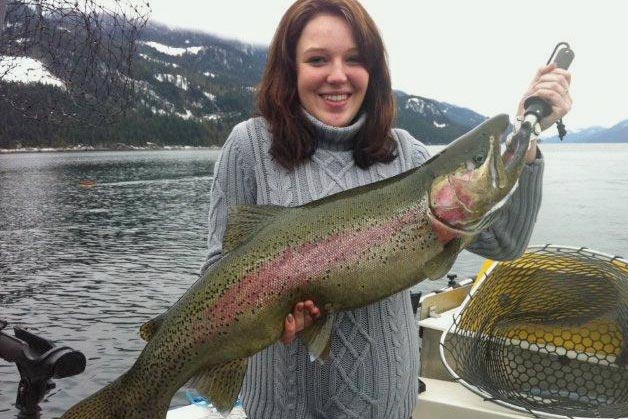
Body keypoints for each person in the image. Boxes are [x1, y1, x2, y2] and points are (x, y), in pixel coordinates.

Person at [200, 0, 572, 417]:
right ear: (290, 69)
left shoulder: (408, 155)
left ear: (373, 71)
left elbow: (506, 242)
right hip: (283, 407)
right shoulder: (249, 147)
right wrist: (269, 314)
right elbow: (218, 270)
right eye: (318, 59)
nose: (337, 75)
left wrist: (527, 139)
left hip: (384, 403)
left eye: (355, 60)